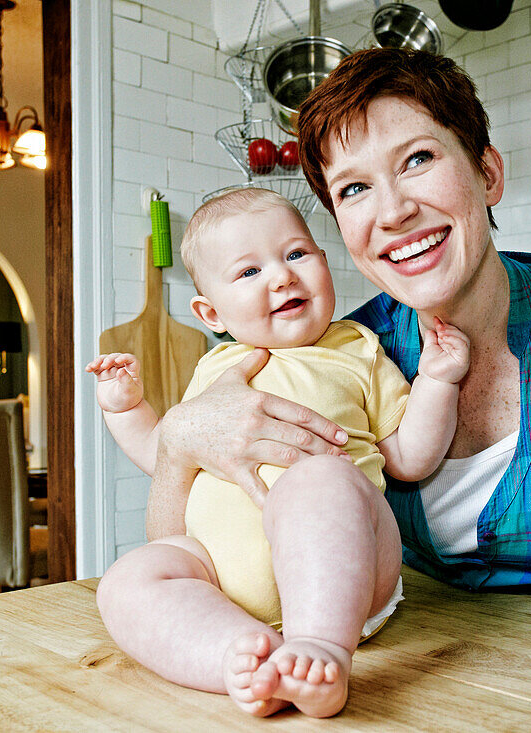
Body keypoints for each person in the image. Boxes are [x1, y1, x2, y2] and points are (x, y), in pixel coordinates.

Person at [147, 47, 531, 667]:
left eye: (418, 159)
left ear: (488, 174)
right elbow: (201, 560)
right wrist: (176, 441)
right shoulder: (336, 356)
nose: (393, 212)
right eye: (354, 189)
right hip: (400, 674)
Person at [90, 187, 470, 718]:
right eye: (248, 272)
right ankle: (240, 658)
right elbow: (166, 455)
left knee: (321, 479)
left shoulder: (356, 348)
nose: (282, 276)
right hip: (219, 579)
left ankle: (320, 651)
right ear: (211, 312)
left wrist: (438, 379)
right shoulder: (214, 370)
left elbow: (409, 456)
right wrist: (125, 409)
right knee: (127, 579)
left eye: (296, 254)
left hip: (348, 579)